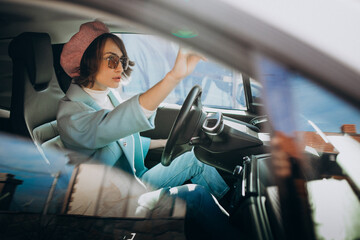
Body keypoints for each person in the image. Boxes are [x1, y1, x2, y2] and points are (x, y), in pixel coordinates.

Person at [57, 20, 229, 201]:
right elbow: (117, 124)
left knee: (197, 158)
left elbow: (124, 138)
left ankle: (232, 208)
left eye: (121, 60)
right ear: (87, 62)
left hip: (136, 182)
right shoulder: (71, 116)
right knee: (197, 196)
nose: (120, 67)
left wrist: (165, 142)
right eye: (111, 60)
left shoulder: (109, 96)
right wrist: (173, 77)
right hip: (114, 201)